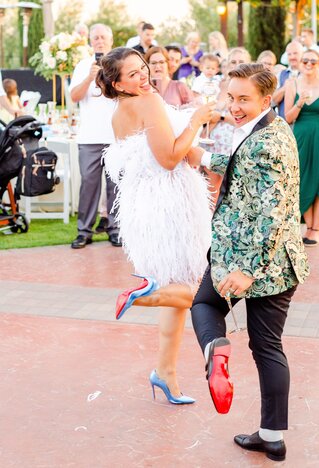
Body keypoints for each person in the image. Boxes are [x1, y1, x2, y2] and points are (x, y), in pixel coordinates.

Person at [187, 63, 309, 462]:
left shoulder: (267, 143)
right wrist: (203, 156)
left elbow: (272, 212)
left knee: (205, 306)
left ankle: (214, 349)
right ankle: (271, 436)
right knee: (267, 348)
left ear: (266, 97)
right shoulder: (269, 129)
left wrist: (247, 269)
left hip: (253, 262)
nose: (234, 106)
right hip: (269, 261)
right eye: (231, 97)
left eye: (243, 99)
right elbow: (243, 170)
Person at [96, 47, 214, 404]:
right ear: (117, 83)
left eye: (142, 67)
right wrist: (198, 118)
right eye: (132, 74)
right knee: (203, 291)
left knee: (180, 295)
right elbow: (168, 158)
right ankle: (145, 295)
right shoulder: (146, 103)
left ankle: (166, 372)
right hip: (170, 205)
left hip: (146, 207)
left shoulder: (122, 111)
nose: (142, 75)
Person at [69, 23, 121, 249]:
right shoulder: (83, 66)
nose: (99, 41)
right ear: (90, 41)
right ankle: (84, 231)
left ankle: (116, 229)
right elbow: (74, 96)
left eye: (103, 37)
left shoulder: (119, 64)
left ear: (111, 40)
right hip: (89, 137)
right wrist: (90, 78)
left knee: (115, 186)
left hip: (116, 137)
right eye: (96, 37)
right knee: (89, 184)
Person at [285, 49, 319, 246]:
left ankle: (316, 229)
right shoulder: (292, 84)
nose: (308, 64)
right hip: (299, 139)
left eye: (313, 62)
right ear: (300, 63)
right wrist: (300, 103)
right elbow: (288, 118)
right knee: (300, 181)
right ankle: (308, 226)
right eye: (305, 60)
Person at [201, 47, 252, 204]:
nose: (236, 65)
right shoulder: (216, 84)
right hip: (211, 139)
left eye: (241, 62)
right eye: (233, 62)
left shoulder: (250, 87)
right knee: (209, 185)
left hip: (233, 140)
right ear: (227, 64)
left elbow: (246, 119)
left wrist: (221, 117)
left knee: (230, 186)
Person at [272, 40, 303, 118]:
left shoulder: (308, 74)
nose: (292, 57)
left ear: (302, 54)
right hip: (284, 123)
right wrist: (285, 88)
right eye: (289, 54)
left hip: (303, 121)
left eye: (295, 53)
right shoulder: (280, 74)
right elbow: (273, 102)